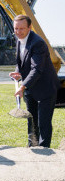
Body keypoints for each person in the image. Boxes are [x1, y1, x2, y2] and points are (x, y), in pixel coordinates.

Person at [9, 15, 60, 148]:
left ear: (30, 27)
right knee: (31, 121)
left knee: (43, 122)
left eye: (21, 29)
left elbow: (36, 69)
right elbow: (22, 60)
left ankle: (44, 150)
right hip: (30, 88)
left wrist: (23, 86)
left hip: (45, 88)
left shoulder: (38, 43)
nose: (18, 32)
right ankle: (32, 147)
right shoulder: (19, 39)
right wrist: (18, 72)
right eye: (16, 28)